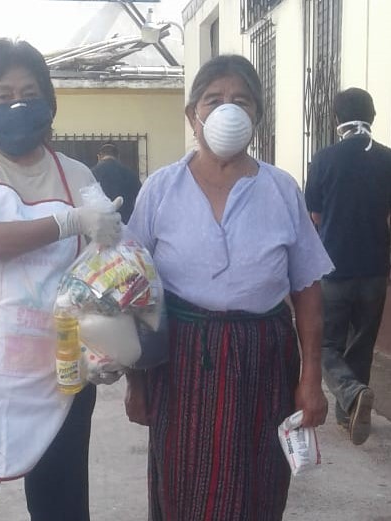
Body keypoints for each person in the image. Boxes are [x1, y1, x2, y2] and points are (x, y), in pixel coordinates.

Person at [124, 54, 333, 521]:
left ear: (257, 116)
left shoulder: (281, 189)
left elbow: (308, 291)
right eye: (214, 100)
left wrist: (311, 378)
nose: (227, 110)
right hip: (181, 360)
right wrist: (136, 381)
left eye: (241, 101)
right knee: (182, 481)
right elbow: (133, 287)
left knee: (258, 484)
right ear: (192, 115)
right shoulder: (161, 189)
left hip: (264, 359)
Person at [0, 38, 122, 521]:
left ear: (48, 105)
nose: (18, 104)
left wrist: (111, 341)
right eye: (3, 94)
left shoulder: (77, 175)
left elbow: (106, 268)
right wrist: (69, 221)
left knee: (63, 507)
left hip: (60, 373)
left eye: (30, 94)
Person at [305, 88, 391, 445]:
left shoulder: (324, 159)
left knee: (325, 345)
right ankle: (348, 414)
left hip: (334, 268)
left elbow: (314, 215)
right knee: (362, 344)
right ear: (373, 116)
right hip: (375, 270)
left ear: (336, 119)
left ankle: (352, 394)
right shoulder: (387, 159)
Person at [91, 142, 142, 224]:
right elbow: (140, 201)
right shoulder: (131, 174)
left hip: (98, 225)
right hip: (125, 224)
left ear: (99, 157)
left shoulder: (91, 173)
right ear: (118, 157)